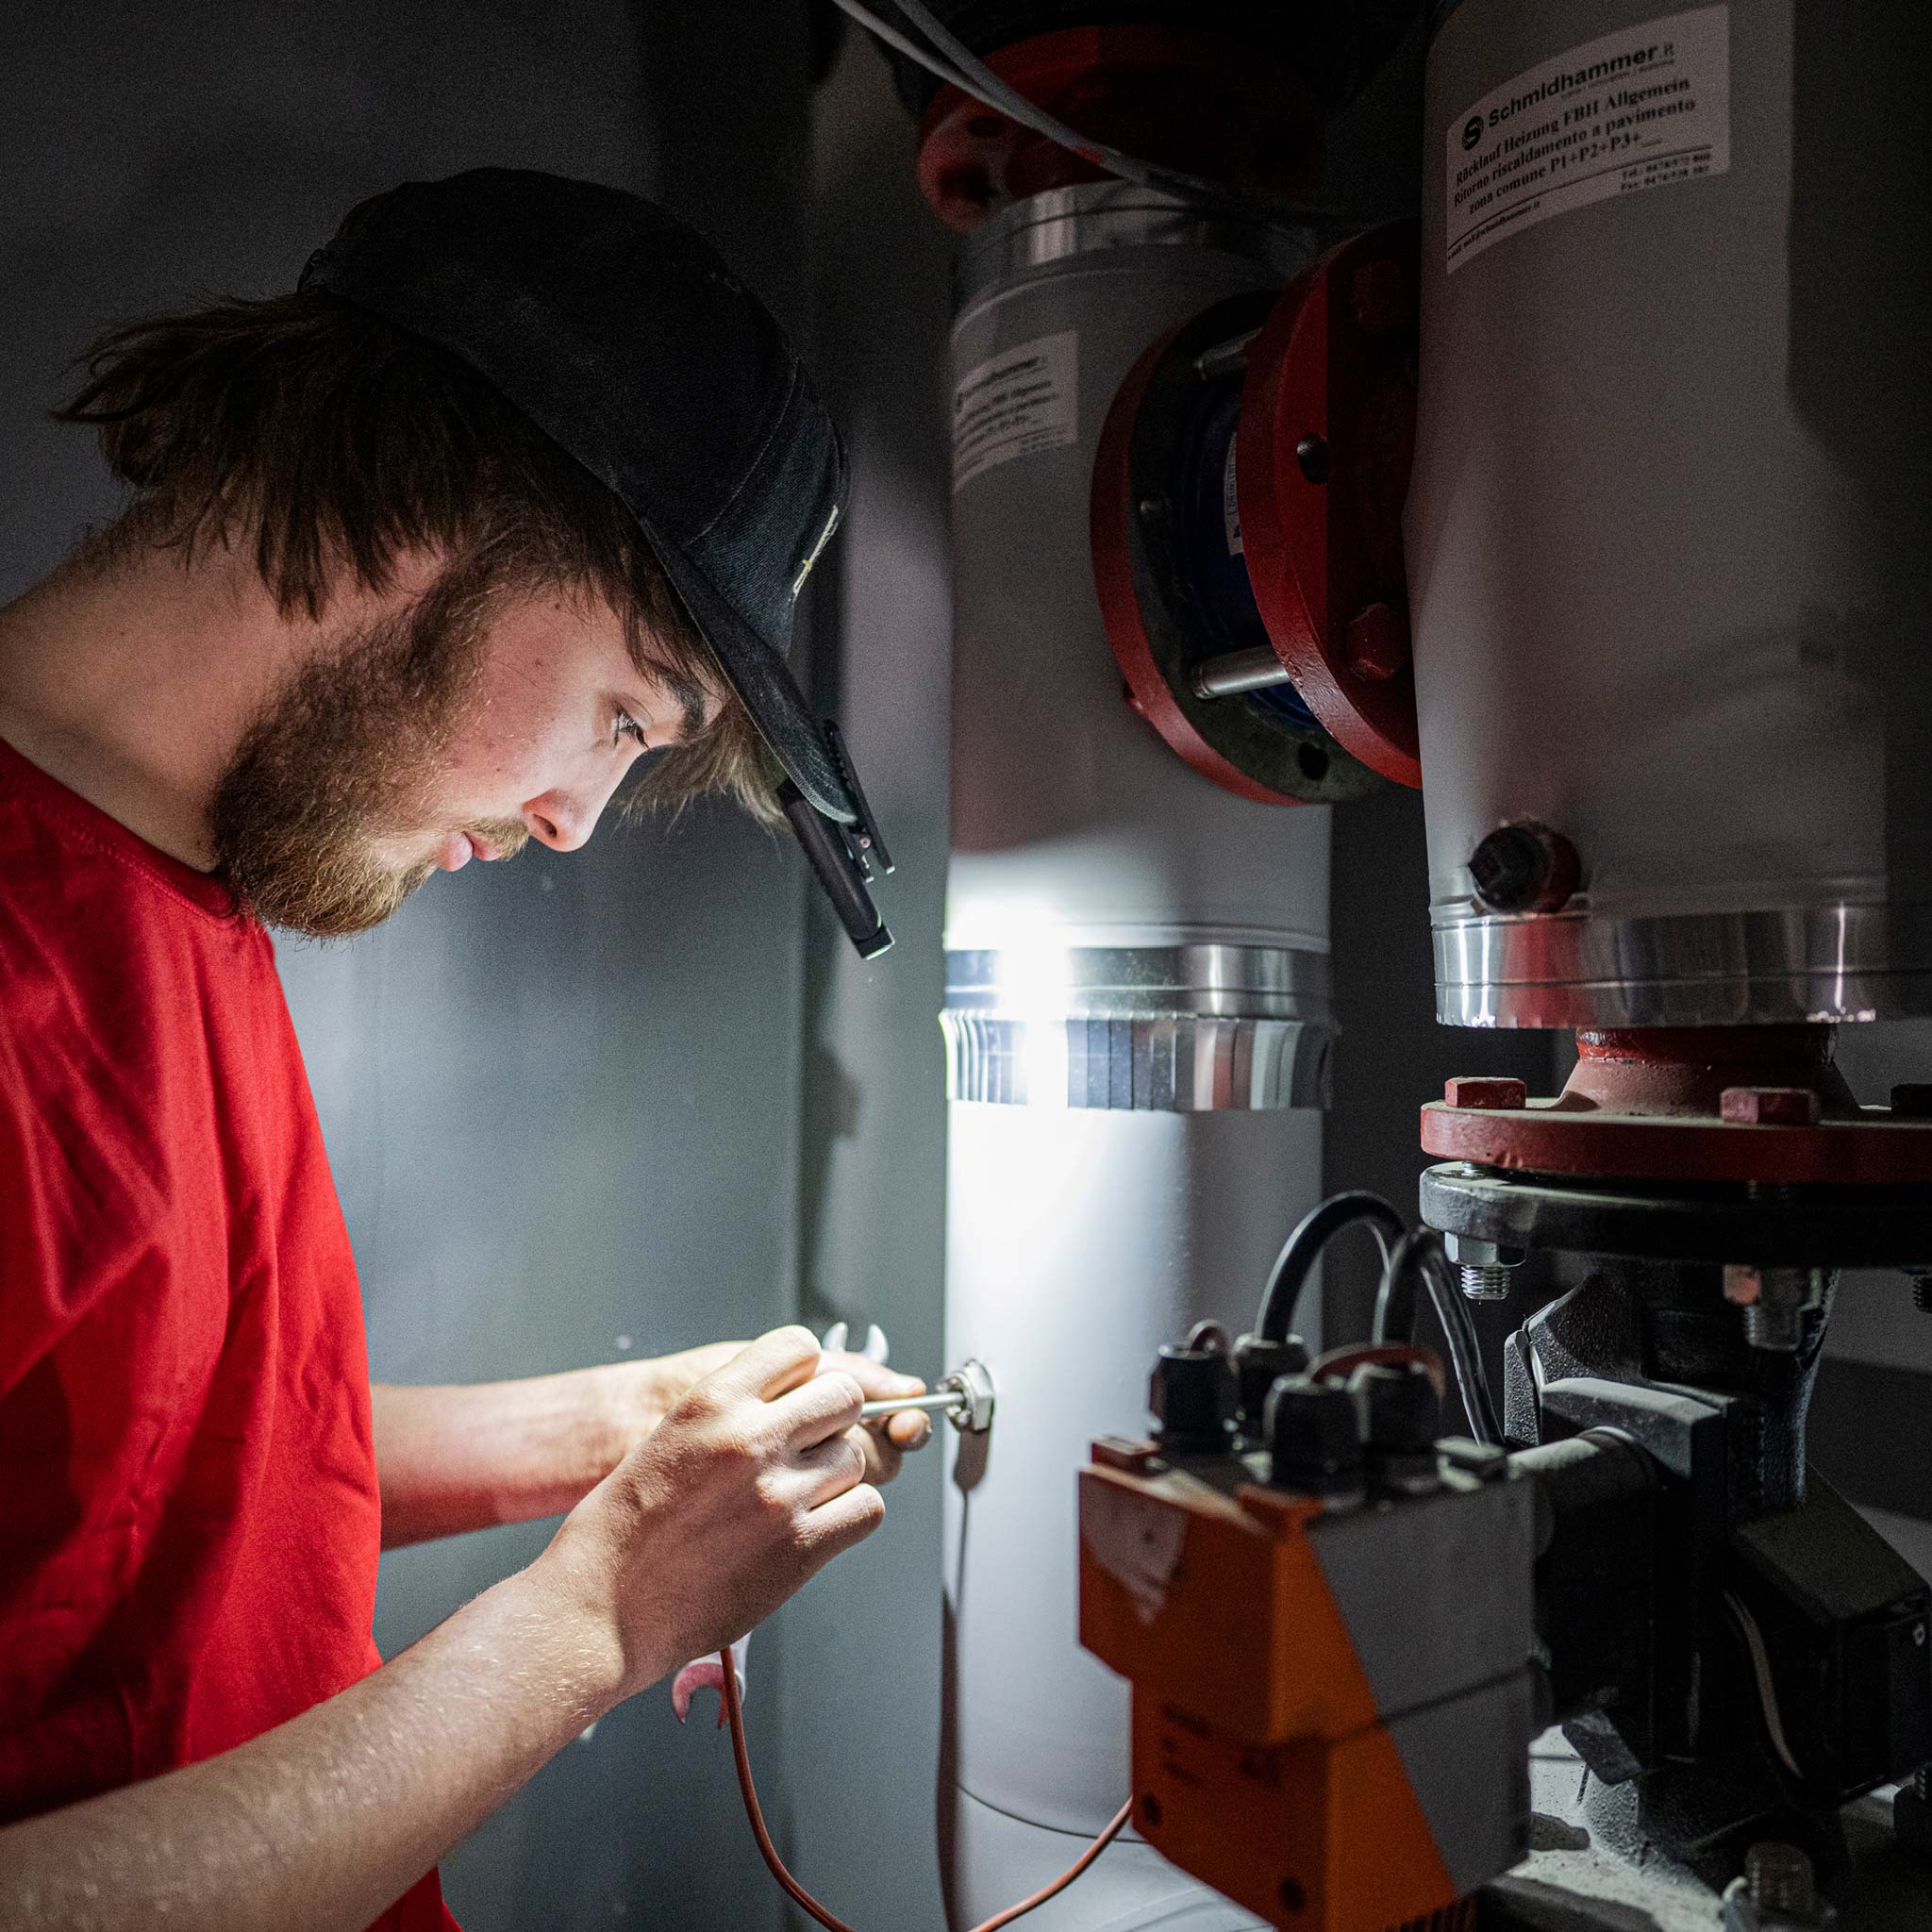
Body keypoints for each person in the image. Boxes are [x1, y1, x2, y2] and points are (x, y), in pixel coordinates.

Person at [0, 168, 927, 1930]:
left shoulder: (188, 878)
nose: (580, 820)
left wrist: (619, 1425)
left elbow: (161, 1456)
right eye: (622, 715)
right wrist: (597, 1618)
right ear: (437, 504)